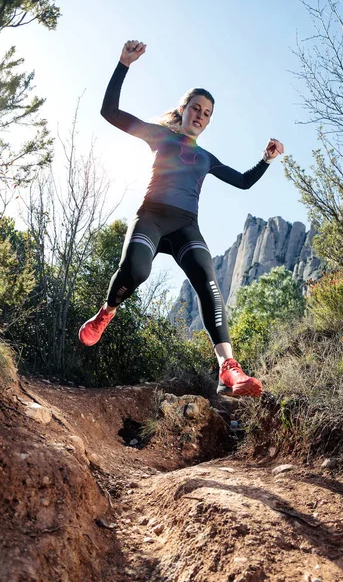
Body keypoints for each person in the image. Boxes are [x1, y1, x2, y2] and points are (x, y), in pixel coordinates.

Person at [79, 39, 284, 398]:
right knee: (137, 271)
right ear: (183, 109)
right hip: (153, 217)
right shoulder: (159, 136)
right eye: (196, 108)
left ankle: (228, 368)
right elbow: (109, 112)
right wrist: (123, 65)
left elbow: (243, 181)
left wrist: (265, 160)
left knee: (209, 283)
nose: (201, 115)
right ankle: (107, 311)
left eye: (207, 113)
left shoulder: (206, 157)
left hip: (187, 226)